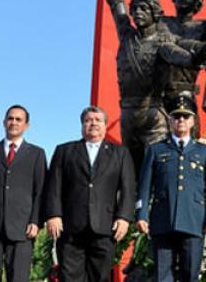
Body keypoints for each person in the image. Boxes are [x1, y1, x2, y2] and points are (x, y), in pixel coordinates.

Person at [87, 0, 206, 171]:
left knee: (157, 170)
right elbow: (115, 1)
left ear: (155, 14)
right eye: (135, 9)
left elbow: (181, 56)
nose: (137, 13)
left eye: (143, 9)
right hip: (128, 114)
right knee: (130, 174)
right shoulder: (126, 34)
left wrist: (198, 57)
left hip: (154, 116)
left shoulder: (162, 41)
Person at [44, 106, 136, 282]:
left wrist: (124, 217)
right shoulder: (65, 151)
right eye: (88, 120)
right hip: (70, 227)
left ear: (105, 125)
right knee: (70, 277)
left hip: (105, 227)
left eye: (97, 120)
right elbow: (53, 186)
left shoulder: (120, 153)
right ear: (82, 125)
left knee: (100, 277)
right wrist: (53, 215)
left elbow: (128, 189)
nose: (93, 123)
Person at [135, 93, 206, 282]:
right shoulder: (156, 150)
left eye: (186, 116)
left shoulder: (203, 152)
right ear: (170, 120)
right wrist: (141, 214)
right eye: (176, 116)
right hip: (162, 221)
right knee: (162, 276)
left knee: (190, 275)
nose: (181, 120)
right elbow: (144, 186)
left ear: (193, 121)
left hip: (193, 221)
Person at [0, 105, 46, 282]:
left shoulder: (37, 154)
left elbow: (40, 190)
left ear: (26, 125)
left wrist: (36, 220)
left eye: (19, 119)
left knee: (18, 277)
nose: (14, 122)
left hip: (22, 227)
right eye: (10, 118)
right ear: (4, 122)